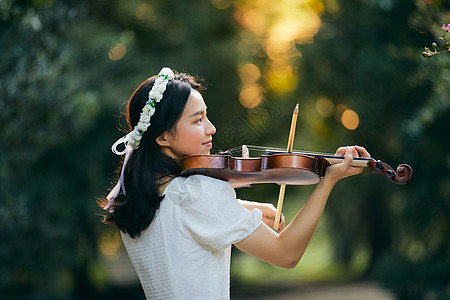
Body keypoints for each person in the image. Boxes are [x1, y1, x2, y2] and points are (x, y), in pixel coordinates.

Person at [99, 67, 371, 299]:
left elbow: (181, 222)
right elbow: (286, 254)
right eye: (198, 120)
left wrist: (242, 205)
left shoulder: (132, 198)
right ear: (163, 137)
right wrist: (327, 182)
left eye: (206, 116)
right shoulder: (199, 194)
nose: (211, 128)